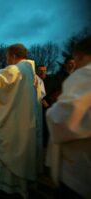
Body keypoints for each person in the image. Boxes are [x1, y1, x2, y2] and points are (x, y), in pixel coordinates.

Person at [0, 44, 42, 198]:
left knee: (11, 152)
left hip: (13, 124)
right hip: (27, 123)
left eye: (7, 57)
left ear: (13, 56)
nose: (7, 60)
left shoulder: (15, 70)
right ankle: (25, 185)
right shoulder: (32, 73)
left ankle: (8, 188)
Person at [46, 36, 91, 199]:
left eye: (75, 60)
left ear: (78, 56)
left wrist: (51, 111)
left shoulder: (85, 74)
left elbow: (61, 121)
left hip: (79, 175)